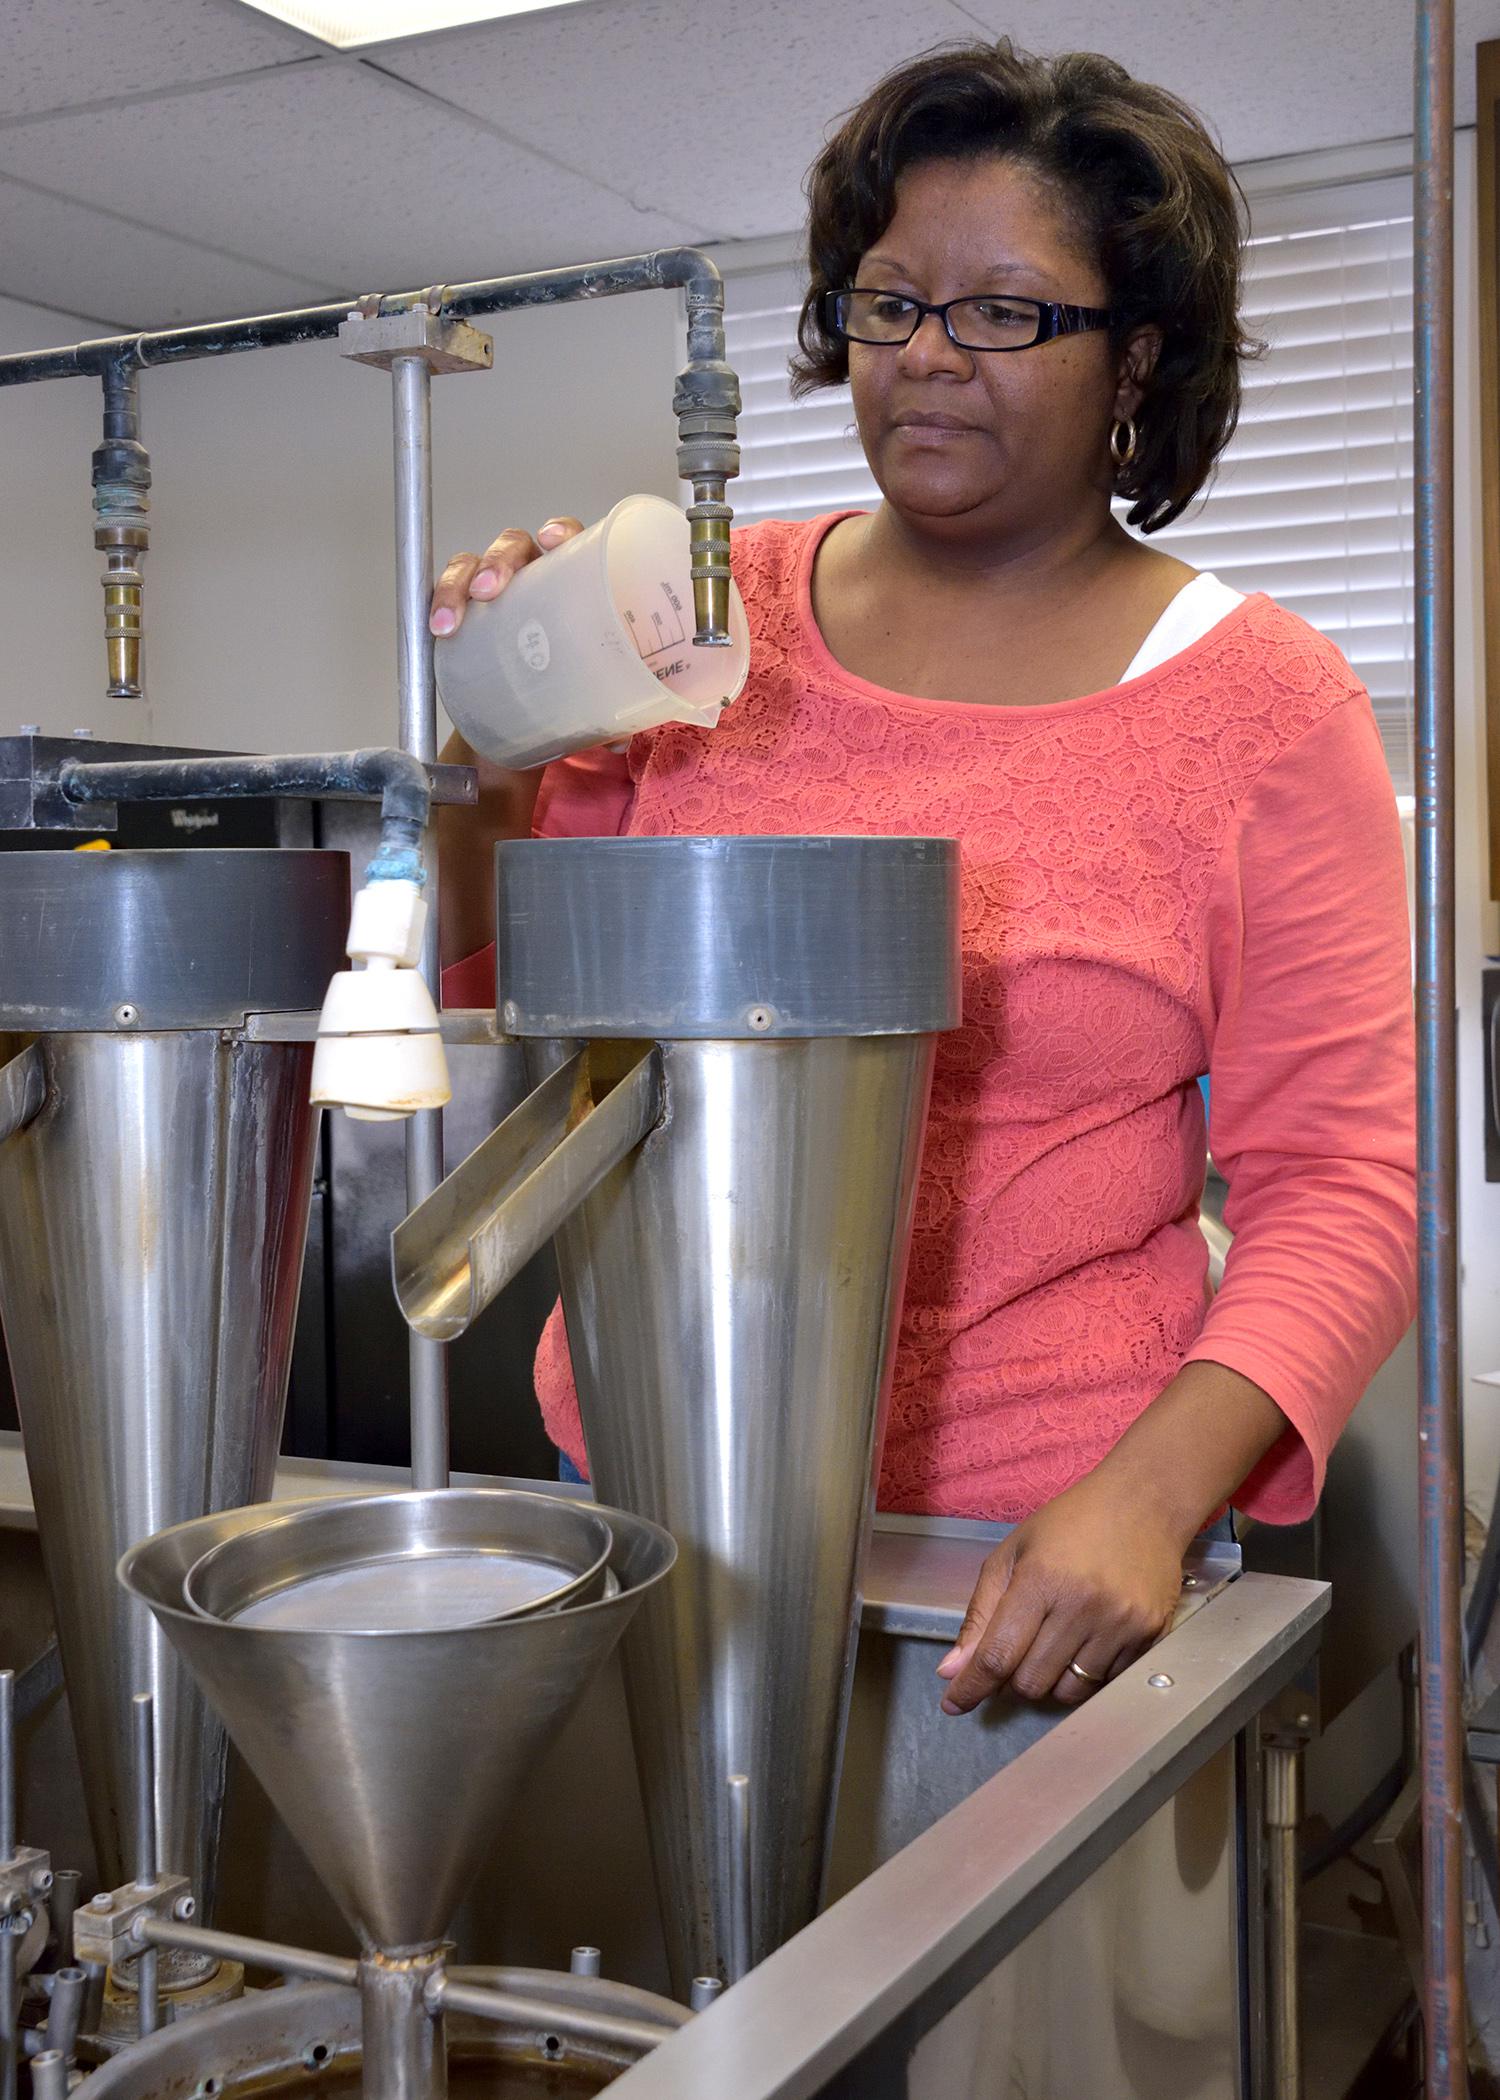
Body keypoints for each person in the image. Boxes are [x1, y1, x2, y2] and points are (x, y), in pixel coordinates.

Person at [430, 41, 1416, 1718]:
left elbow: (1342, 1190)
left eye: (1008, 313)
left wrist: (1146, 1503)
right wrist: (484, 760)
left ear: (1138, 355)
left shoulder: (1263, 707)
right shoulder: (695, 622)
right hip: (657, 1477)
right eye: (889, 305)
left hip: (1034, 1543)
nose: (931, 360)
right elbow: (515, 1003)